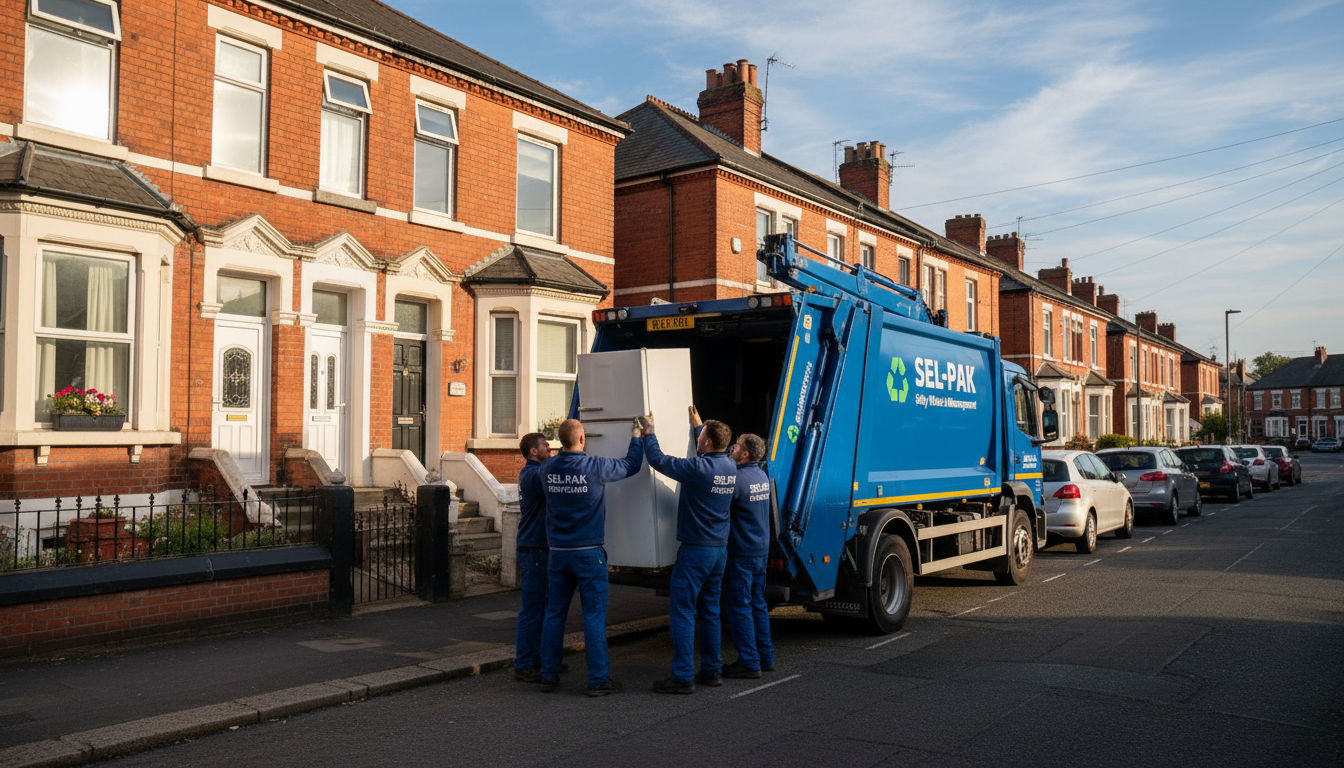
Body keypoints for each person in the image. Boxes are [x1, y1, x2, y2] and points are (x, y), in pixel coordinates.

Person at [537, 417, 645, 696]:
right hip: (588, 553)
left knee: (554, 614)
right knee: (593, 617)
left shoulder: (547, 468)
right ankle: (598, 680)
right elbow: (631, 465)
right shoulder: (596, 466)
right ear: (583, 439)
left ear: (559, 442)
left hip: (558, 554)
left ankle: (548, 674)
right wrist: (636, 436)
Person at [643, 406, 737, 694]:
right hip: (719, 551)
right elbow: (709, 452)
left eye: (701, 438)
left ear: (707, 443)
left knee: (683, 610)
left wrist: (649, 433)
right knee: (709, 611)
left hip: (696, 551)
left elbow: (659, 461)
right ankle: (712, 669)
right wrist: (700, 427)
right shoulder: (729, 466)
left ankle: (682, 676)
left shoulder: (698, 469)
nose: (698, 441)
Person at [721, 433, 775, 678]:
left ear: (744, 454)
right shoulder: (761, 475)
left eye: (738, 444)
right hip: (760, 551)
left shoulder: (736, 480)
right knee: (758, 604)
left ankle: (749, 662)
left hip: (741, 552)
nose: (733, 446)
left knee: (739, 607)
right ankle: (766, 656)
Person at [513, 432, 553, 683]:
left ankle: (542, 660)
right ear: (533, 452)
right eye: (545, 445)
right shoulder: (532, 475)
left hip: (540, 548)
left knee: (546, 608)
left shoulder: (536, 472)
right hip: (534, 549)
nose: (550, 448)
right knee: (533, 609)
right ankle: (526, 663)